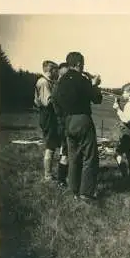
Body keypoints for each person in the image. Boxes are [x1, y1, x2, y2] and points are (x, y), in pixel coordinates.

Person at [55, 52, 102, 201]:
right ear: (79, 64)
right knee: (90, 156)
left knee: (73, 157)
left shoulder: (61, 81)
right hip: (82, 119)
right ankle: (86, 193)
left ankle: (73, 190)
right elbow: (97, 99)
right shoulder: (82, 80)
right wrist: (94, 85)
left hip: (67, 121)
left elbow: (55, 99)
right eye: (83, 64)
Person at [34, 60, 59, 182]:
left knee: (52, 144)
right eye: (56, 70)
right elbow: (47, 102)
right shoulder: (44, 82)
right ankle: (48, 175)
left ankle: (49, 173)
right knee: (50, 145)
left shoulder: (46, 82)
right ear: (51, 70)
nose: (57, 73)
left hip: (48, 116)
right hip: (48, 116)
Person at [112, 83, 130, 182]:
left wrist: (118, 109)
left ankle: (125, 175)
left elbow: (127, 119)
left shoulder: (129, 104)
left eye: (124, 92)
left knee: (117, 153)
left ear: (129, 93)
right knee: (129, 154)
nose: (123, 94)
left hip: (127, 132)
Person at [53, 62, 70, 187]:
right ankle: (61, 180)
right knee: (65, 152)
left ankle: (62, 178)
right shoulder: (60, 89)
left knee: (65, 152)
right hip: (64, 124)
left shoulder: (57, 87)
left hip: (62, 123)